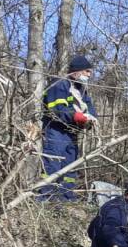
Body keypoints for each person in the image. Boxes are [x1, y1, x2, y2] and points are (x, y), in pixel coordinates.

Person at [38, 55, 98, 201]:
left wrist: (90, 120)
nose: (89, 75)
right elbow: (56, 109)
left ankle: (66, 198)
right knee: (53, 166)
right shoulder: (59, 84)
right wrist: (76, 117)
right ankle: (47, 199)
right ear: (76, 71)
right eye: (86, 71)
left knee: (70, 167)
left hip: (72, 134)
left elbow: (90, 108)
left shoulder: (81, 89)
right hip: (56, 132)